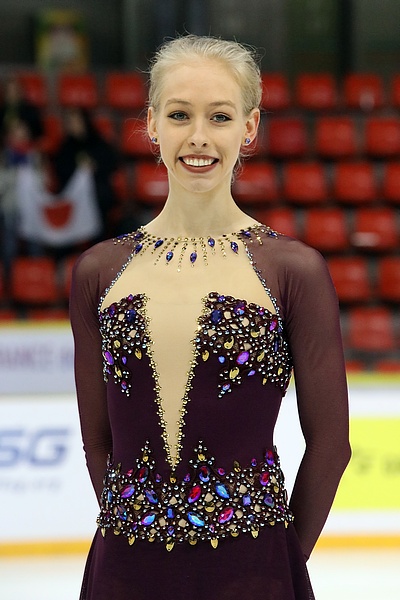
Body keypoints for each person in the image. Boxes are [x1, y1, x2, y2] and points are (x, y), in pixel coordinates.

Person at [70, 35, 351, 600]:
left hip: (254, 570)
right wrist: (137, 525)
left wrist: (282, 561)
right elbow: (97, 437)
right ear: (152, 124)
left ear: (248, 128)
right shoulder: (99, 272)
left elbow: (332, 444)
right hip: (124, 571)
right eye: (179, 115)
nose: (198, 136)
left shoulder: (292, 270)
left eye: (219, 116)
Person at [53, 107, 119, 239]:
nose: (73, 125)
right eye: (69, 122)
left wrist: (94, 166)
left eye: (75, 121)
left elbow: (112, 162)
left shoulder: (97, 141)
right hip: (74, 197)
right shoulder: (65, 147)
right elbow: (60, 170)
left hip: (97, 193)